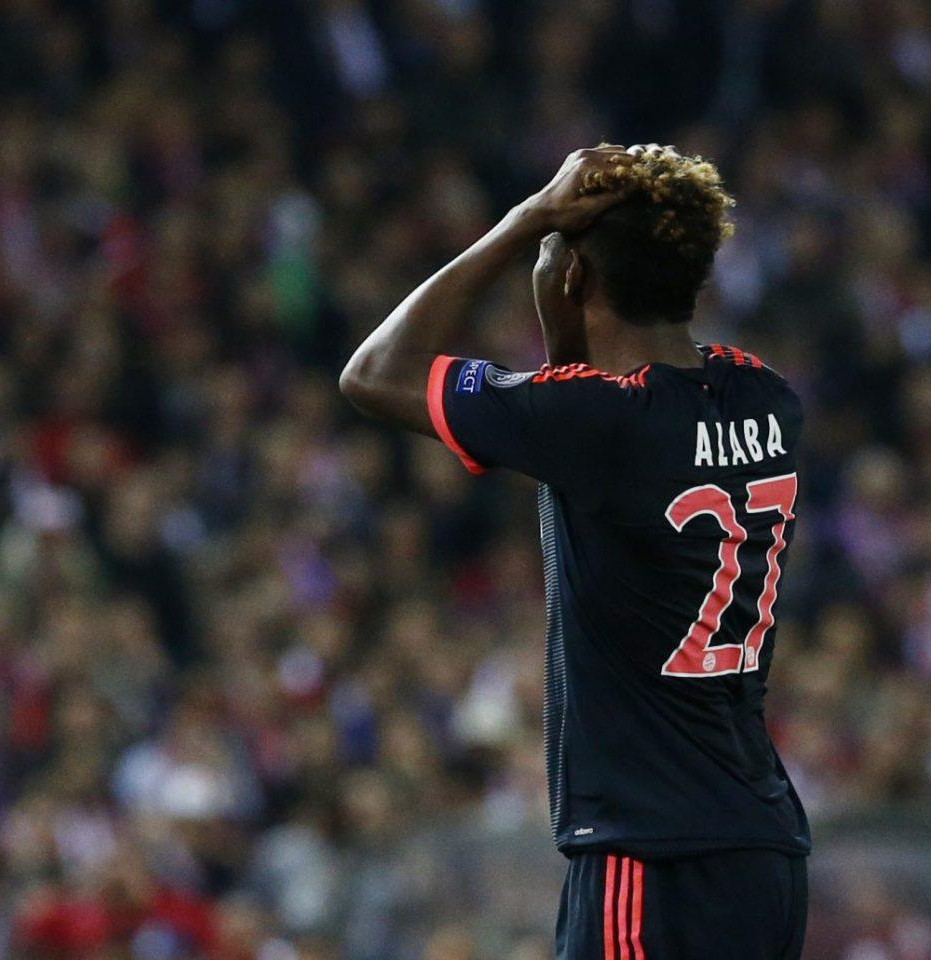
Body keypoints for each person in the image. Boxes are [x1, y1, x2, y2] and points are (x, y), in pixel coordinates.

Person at [339, 146, 809, 959]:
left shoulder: (591, 422)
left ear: (569, 277)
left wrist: (524, 222)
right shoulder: (764, 394)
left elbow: (373, 371)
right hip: (761, 849)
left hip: (648, 855)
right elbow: (618, 403)